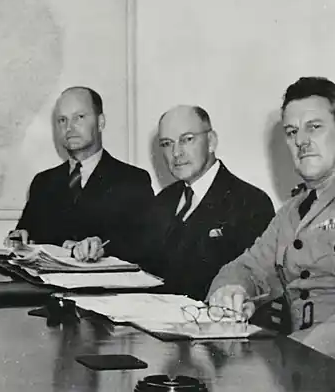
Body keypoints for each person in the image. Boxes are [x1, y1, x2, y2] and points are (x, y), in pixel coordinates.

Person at [208, 76, 335, 357]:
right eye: (291, 132)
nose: (301, 141)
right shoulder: (292, 212)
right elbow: (248, 267)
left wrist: (299, 353)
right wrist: (231, 290)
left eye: (314, 127)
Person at [134, 105, 274, 300]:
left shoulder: (250, 203)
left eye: (187, 140)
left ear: (211, 141)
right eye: (167, 143)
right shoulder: (164, 200)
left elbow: (254, 283)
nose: (176, 153)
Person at [5, 87, 154, 261]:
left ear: (101, 122)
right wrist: (20, 237)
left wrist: (103, 248)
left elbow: (145, 243)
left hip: (107, 287)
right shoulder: (43, 182)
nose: (69, 127)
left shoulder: (133, 180)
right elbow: (26, 232)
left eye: (79, 117)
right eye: (62, 120)